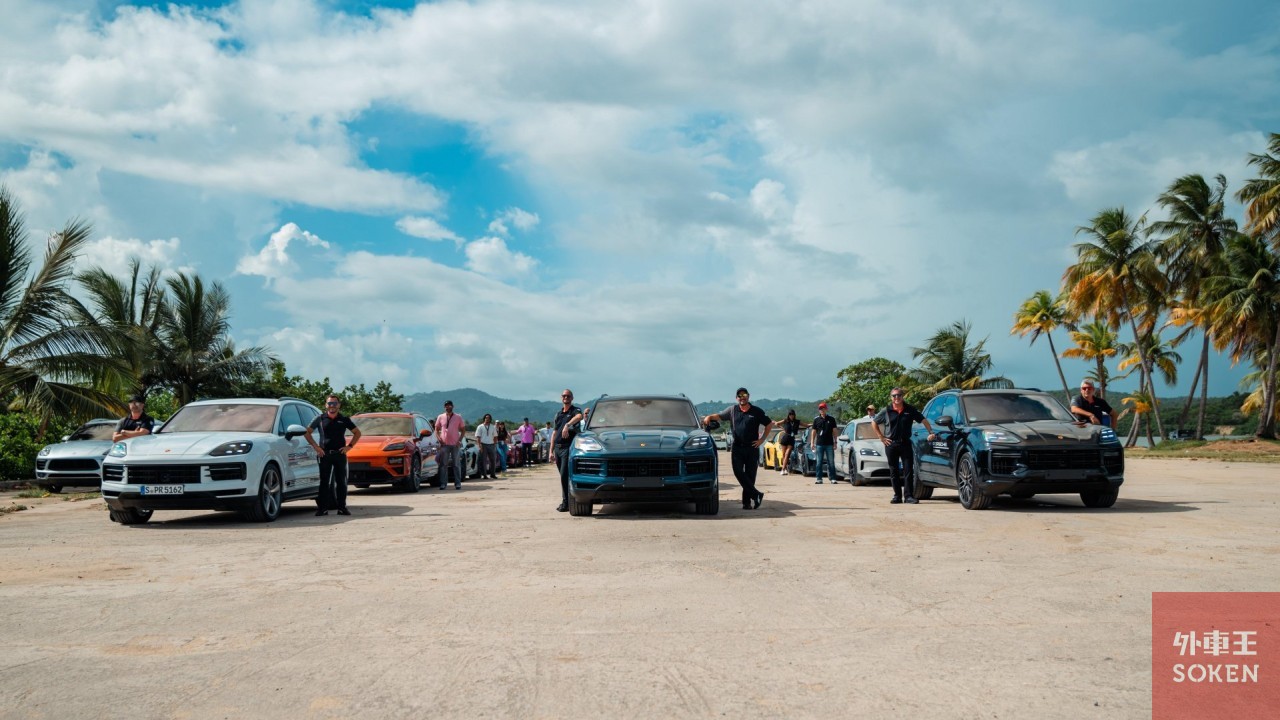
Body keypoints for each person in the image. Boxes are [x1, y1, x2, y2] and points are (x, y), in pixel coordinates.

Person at [703, 387, 773, 510]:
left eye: (744, 395)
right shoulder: (732, 410)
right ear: (737, 398)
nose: (742, 397)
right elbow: (719, 416)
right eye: (740, 396)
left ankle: (747, 503)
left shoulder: (756, 411)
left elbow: (769, 424)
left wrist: (762, 440)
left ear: (748, 396)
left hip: (752, 447)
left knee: (750, 476)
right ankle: (756, 495)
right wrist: (709, 417)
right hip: (737, 447)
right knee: (738, 472)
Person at [872, 388, 936, 505]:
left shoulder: (910, 409)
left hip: (905, 443)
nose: (897, 398)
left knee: (908, 470)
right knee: (894, 471)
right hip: (891, 444)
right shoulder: (886, 410)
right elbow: (874, 422)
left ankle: (908, 496)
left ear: (902, 396)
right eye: (894, 396)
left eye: (899, 395)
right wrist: (881, 437)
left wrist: (931, 432)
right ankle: (897, 496)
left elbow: (923, 420)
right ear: (891, 397)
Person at [304, 394, 361, 516]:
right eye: (329, 403)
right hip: (325, 454)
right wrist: (316, 447)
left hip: (340, 454)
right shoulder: (319, 418)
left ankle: (342, 508)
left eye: (334, 403)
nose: (332, 406)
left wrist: (349, 446)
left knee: (341, 482)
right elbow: (307, 432)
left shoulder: (344, 419)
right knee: (324, 482)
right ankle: (322, 509)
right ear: (326, 405)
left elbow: (357, 433)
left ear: (338, 405)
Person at [551, 389, 585, 512]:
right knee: (563, 476)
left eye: (568, 396)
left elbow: (579, 416)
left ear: (572, 398)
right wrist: (550, 451)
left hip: (567, 448)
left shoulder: (575, 410)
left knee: (565, 475)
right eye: (564, 396)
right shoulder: (558, 414)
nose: (566, 397)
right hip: (557, 448)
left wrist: (567, 424)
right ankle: (567, 500)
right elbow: (554, 433)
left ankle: (566, 502)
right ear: (561, 397)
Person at [434, 400, 465, 490]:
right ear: (444, 407)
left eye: (449, 405)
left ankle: (458, 483)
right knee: (443, 465)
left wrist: (459, 440)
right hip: (444, 444)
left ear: (452, 406)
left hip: (455, 444)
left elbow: (463, 430)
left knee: (456, 464)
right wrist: (439, 439)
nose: (448, 407)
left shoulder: (458, 417)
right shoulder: (440, 416)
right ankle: (443, 484)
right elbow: (436, 429)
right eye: (446, 406)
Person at [810, 402, 839, 484]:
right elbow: (813, 432)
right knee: (819, 462)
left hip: (829, 443)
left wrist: (835, 442)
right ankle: (819, 478)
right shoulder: (816, 420)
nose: (822, 410)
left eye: (823, 408)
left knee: (831, 462)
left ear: (826, 409)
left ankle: (833, 478)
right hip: (819, 444)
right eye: (820, 409)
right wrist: (812, 443)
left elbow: (834, 431)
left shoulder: (831, 419)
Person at [777, 409, 802, 476]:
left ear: (794, 415)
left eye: (792, 414)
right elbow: (777, 423)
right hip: (785, 438)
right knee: (783, 454)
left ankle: (783, 469)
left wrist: (814, 424)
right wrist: (783, 429)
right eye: (790, 414)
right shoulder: (785, 420)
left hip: (791, 439)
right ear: (788, 415)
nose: (791, 415)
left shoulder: (797, 421)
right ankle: (785, 468)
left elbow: (806, 425)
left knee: (787, 454)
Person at [475, 413, 498, 479]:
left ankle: (492, 474)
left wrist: (494, 444)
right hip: (483, 444)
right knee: (483, 460)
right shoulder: (480, 426)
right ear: (484, 419)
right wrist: (479, 445)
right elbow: (478, 437)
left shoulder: (493, 427)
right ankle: (484, 475)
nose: (487, 419)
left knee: (493, 460)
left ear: (490, 419)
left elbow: (495, 436)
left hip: (491, 444)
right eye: (486, 418)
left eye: (489, 418)